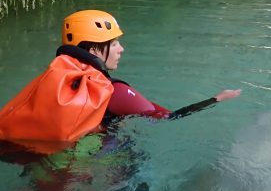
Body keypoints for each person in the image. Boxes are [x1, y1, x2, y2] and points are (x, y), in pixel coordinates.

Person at [59, 9, 241, 122]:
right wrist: (217, 99)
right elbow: (169, 117)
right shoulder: (112, 91)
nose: (121, 49)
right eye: (114, 44)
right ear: (93, 51)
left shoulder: (57, 80)